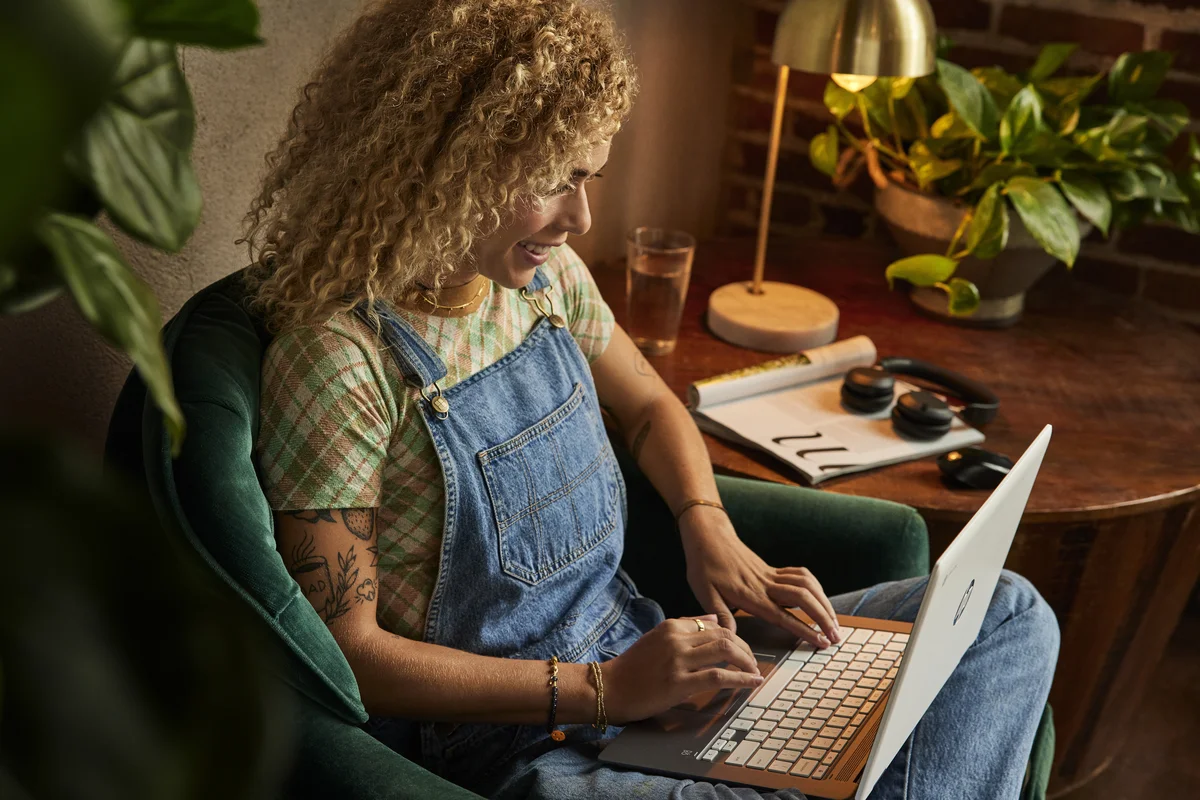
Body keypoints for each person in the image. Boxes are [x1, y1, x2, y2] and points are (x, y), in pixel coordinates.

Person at [245, 1, 1059, 797]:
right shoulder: (340, 359)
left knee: (1008, 613)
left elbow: (650, 408)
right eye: (554, 180)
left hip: (651, 659)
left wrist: (708, 528)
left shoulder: (544, 281)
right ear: (446, 159)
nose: (582, 216)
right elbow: (344, 654)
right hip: (527, 747)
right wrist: (604, 690)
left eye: (587, 177)